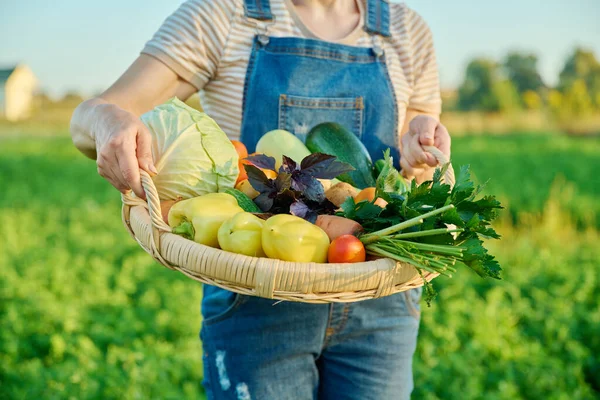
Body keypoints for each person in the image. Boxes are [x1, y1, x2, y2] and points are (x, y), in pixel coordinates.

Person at [70, 0, 451, 399]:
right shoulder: (223, 14)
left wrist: (420, 145)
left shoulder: (406, 30)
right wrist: (103, 122)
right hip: (255, 295)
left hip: (380, 293)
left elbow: (411, 172)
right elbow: (94, 114)